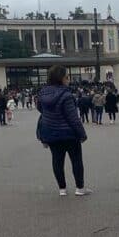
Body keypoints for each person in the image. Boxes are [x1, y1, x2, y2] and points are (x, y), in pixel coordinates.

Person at [37, 64, 90, 196]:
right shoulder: (66, 95)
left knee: (57, 161)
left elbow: (40, 109)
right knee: (76, 160)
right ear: (61, 78)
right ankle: (79, 188)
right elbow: (73, 118)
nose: (68, 79)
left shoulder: (42, 93)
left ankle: (62, 189)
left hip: (51, 133)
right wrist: (82, 134)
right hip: (69, 134)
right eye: (67, 77)